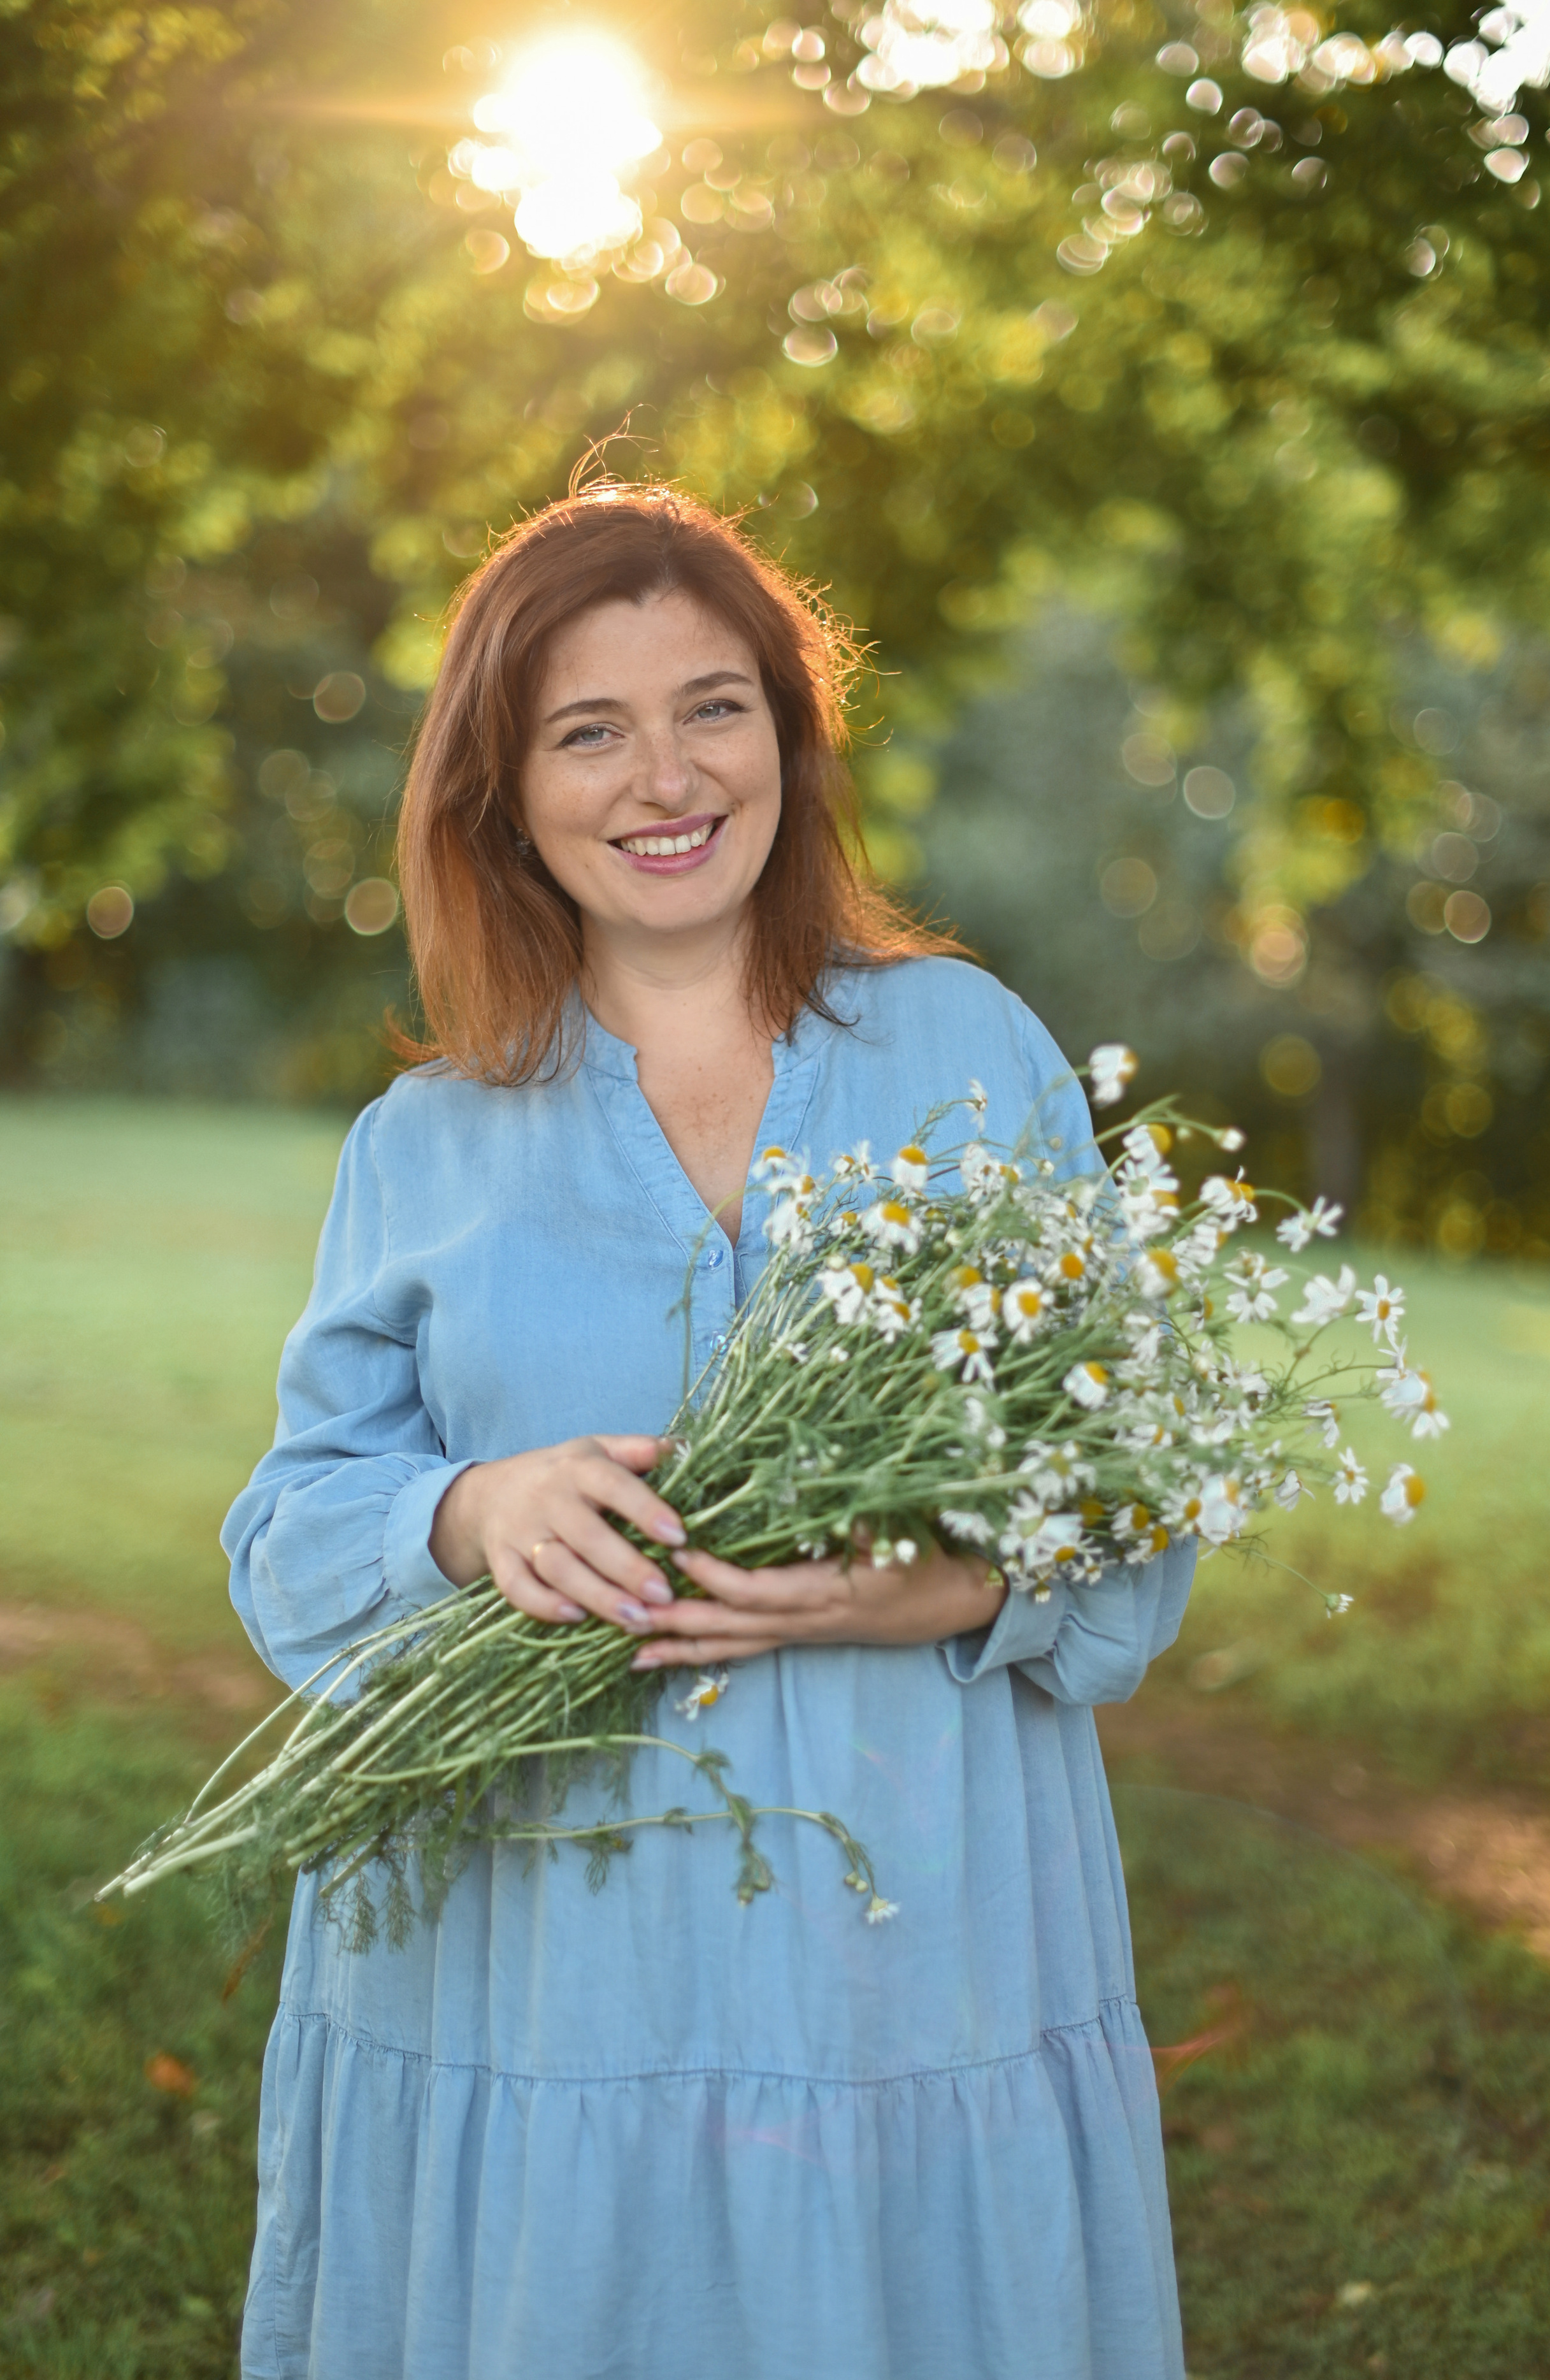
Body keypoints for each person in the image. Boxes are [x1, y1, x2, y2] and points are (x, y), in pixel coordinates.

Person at [225, 482, 1193, 2380]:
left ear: (791, 733)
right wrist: (467, 1511)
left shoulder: (971, 1053)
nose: (664, 774)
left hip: (909, 1960)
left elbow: (1137, 1503)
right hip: (534, 1977)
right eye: (588, 729)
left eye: (715, 705)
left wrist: (929, 1588)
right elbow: (290, 1534)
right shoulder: (424, 1143)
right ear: (501, 790)